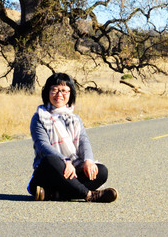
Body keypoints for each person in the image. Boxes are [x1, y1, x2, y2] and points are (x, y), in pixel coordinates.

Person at [28, 72, 118, 202]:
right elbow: (43, 145)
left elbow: (83, 141)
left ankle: (53, 195)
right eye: (54, 90)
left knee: (101, 171)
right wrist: (64, 160)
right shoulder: (39, 117)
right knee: (52, 160)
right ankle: (89, 195)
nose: (59, 95)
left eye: (64, 91)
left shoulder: (75, 118)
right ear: (47, 92)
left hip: (72, 170)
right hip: (47, 175)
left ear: (71, 94)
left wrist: (88, 160)